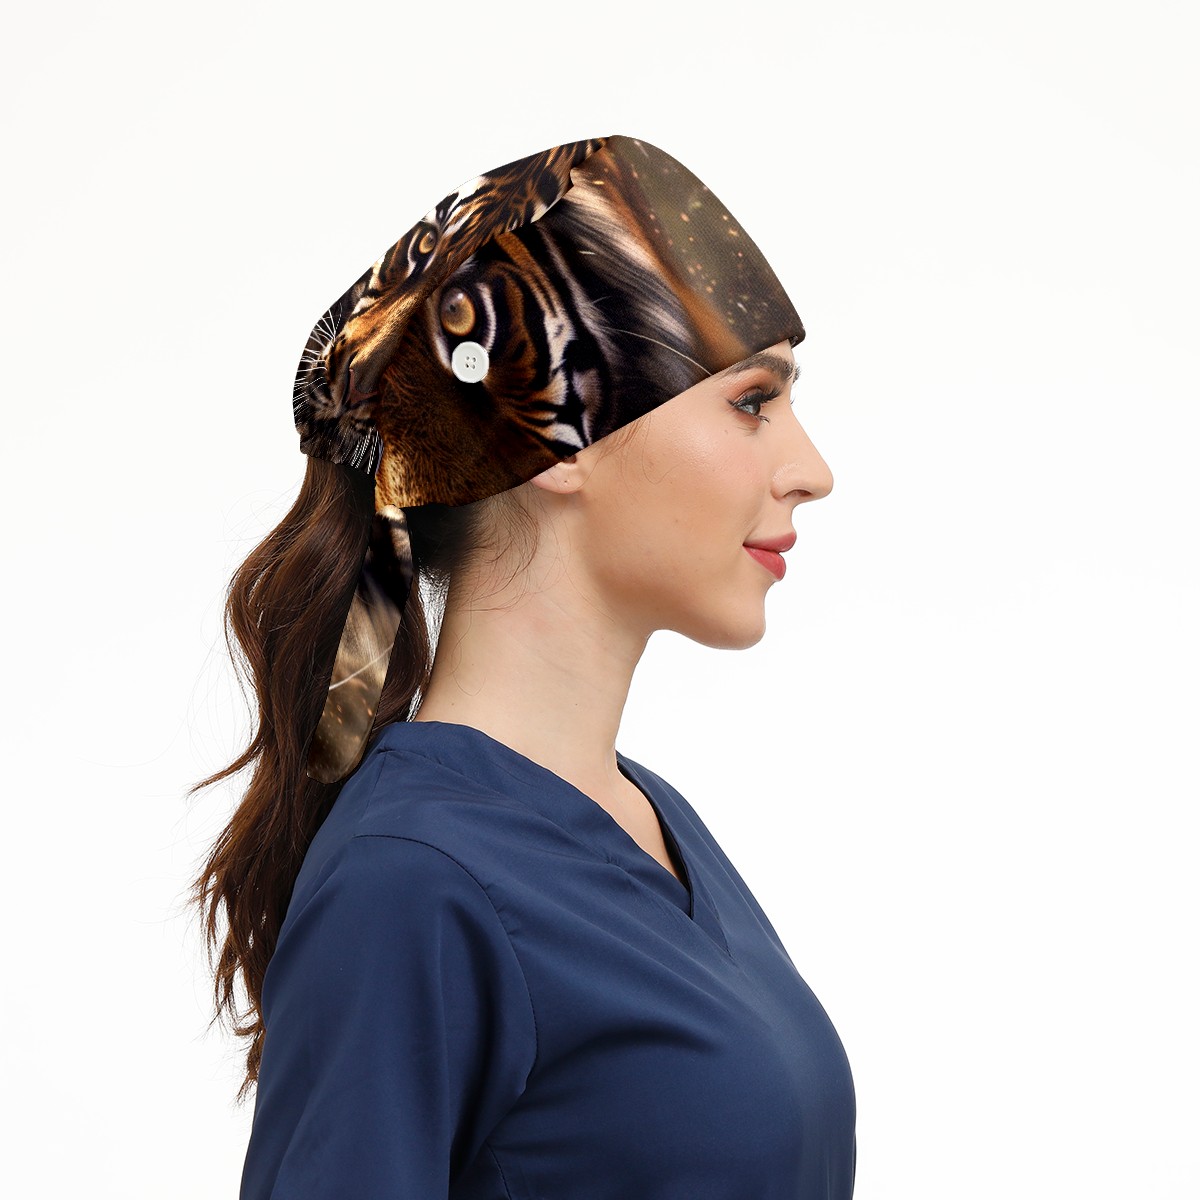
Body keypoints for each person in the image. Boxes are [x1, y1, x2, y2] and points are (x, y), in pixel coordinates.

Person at [190, 134, 857, 1198]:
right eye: (751, 401)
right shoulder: (412, 880)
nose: (810, 469)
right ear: (554, 435)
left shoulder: (648, 819)